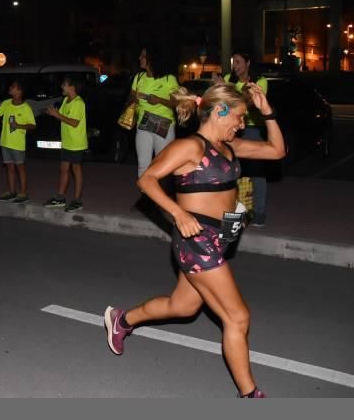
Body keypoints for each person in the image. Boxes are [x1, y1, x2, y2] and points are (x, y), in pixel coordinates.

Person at [104, 82, 285, 398]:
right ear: (220, 110)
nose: (241, 125)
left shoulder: (230, 147)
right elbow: (146, 180)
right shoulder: (190, 148)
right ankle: (251, 396)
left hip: (219, 238)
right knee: (238, 317)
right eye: (240, 117)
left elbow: (277, 150)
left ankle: (122, 319)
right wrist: (178, 213)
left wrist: (267, 111)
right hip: (195, 241)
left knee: (183, 306)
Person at [213, 53, 270, 227]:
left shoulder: (260, 81)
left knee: (256, 173)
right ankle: (235, 212)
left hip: (252, 129)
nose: (235, 65)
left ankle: (259, 212)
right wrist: (218, 88)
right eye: (233, 62)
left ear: (248, 62)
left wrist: (227, 89)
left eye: (238, 62)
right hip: (231, 129)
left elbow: (249, 104)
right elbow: (222, 104)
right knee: (231, 171)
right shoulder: (230, 78)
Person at [126, 46, 180, 178]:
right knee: (143, 165)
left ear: (152, 58)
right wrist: (134, 100)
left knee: (162, 164)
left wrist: (159, 100)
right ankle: (146, 196)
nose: (140, 58)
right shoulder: (138, 77)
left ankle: (160, 196)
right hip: (143, 122)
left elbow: (177, 103)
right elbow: (130, 98)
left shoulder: (168, 79)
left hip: (163, 122)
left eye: (143, 56)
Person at [0, 80, 36, 203]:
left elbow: (32, 125)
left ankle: (23, 193)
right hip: (5, 141)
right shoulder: (6, 103)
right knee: (10, 168)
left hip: (17, 143)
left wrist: (19, 125)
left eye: (13, 87)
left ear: (19, 91)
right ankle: (12, 191)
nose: (10, 88)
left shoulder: (25, 107)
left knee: (20, 168)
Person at [44, 75, 88, 213]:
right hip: (67, 142)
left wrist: (57, 115)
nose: (61, 86)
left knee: (76, 170)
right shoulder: (65, 100)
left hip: (76, 143)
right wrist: (53, 113)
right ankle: (60, 197)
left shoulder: (79, 103)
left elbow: (74, 122)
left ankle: (77, 200)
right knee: (64, 169)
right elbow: (62, 117)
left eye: (64, 84)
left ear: (72, 87)